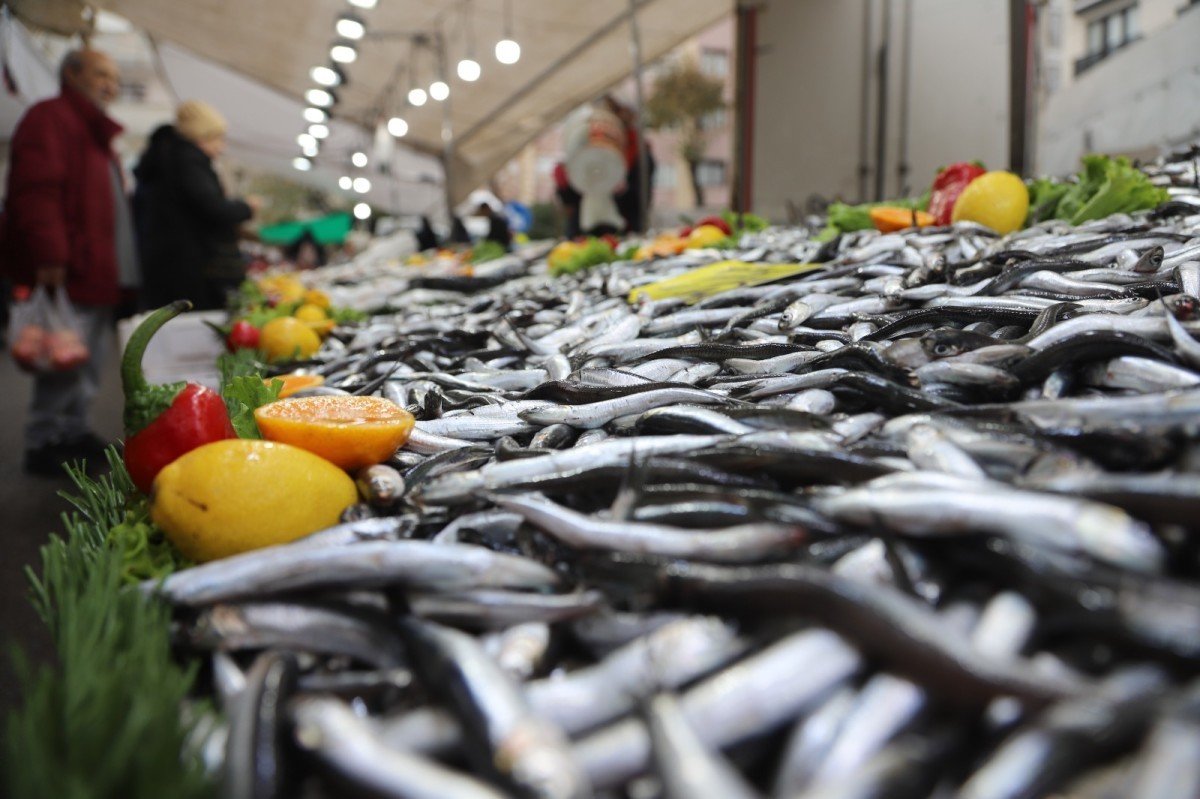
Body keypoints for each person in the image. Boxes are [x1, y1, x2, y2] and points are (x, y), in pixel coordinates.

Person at [2, 48, 131, 475]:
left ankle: (73, 431)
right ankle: (43, 441)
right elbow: (36, 191)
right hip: (69, 266)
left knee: (85, 358)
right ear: (71, 73)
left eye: (113, 76)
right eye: (101, 74)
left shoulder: (94, 132)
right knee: (59, 358)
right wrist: (50, 253)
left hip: (92, 265)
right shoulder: (51, 119)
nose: (110, 84)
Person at [133, 100, 257, 311]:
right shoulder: (188, 161)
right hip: (191, 268)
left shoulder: (166, 158)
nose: (221, 146)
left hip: (168, 265)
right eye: (217, 138)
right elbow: (212, 207)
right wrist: (246, 207)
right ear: (203, 136)